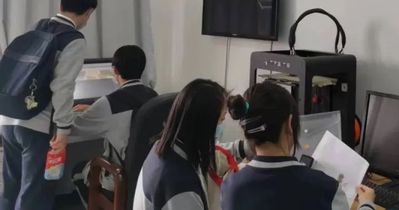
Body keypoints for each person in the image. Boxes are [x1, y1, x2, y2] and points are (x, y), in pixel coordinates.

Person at [0, 0, 97, 210]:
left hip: (8, 116)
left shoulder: (36, 27)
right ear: (88, 13)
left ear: (61, 6)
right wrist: (63, 131)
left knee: (12, 187)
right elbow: (63, 87)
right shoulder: (73, 39)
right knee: (34, 193)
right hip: (37, 124)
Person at [221, 81, 376, 210]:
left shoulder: (231, 188)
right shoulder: (326, 189)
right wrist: (367, 204)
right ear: (290, 124)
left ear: (246, 130)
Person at [133, 79, 248, 210]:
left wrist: (242, 149)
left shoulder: (166, 147)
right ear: (203, 125)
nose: (221, 127)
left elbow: (214, 152)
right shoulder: (180, 185)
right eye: (220, 120)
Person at [69, 45, 157, 200]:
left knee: (78, 170)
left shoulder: (108, 104)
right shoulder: (154, 96)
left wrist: (71, 112)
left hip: (121, 179)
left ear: (115, 70)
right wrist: (94, 110)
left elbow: (72, 129)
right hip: (150, 175)